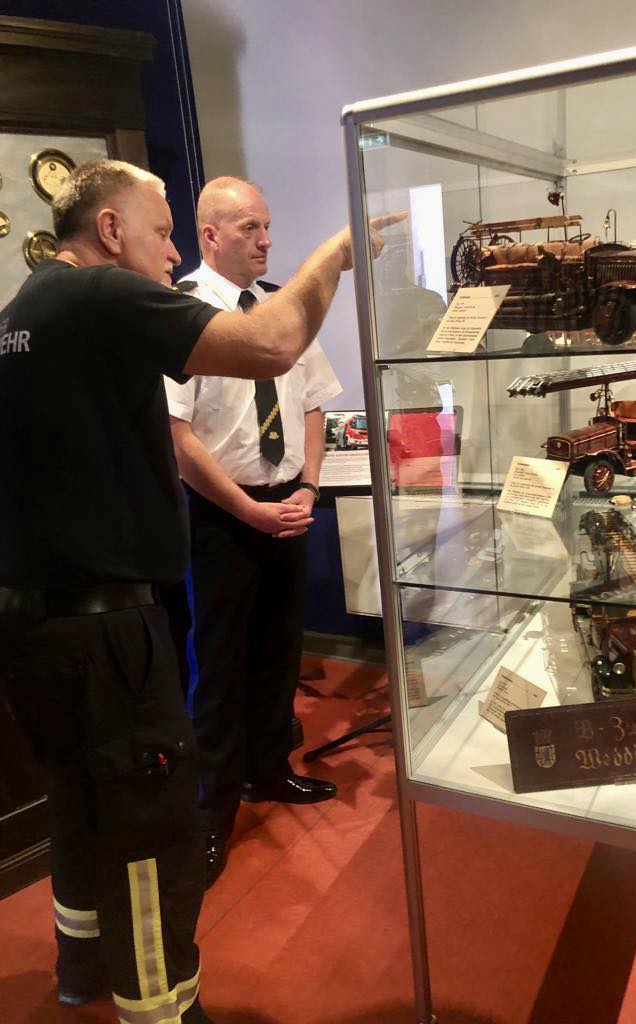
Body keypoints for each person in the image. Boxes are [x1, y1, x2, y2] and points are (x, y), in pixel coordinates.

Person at [0, 158, 397, 1024]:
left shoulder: (26, 307)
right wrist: (335, 253)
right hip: (106, 627)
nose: (173, 250)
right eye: (164, 231)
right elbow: (273, 345)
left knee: (79, 802)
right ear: (111, 231)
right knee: (151, 827)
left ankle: (82, 967)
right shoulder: (102, 294)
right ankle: (163, 1007)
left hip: (37, 620)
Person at [164, 177, 341, 889]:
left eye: (267, 226)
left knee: (278, 650)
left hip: (286, 506)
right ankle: (210, 813)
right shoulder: (182, 314)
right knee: (218, 664)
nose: (267, 240)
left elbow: (314, 405)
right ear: (210, 234)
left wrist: (307, 487)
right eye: (249, 228)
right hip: (220, 515)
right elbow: (175, 434)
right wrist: (246, 509)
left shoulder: (278, 312)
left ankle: (268, 771)